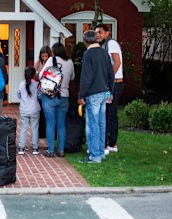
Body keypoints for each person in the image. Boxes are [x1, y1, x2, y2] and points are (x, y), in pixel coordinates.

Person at [78, 30, 115, 163]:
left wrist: (81, 95)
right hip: (104, 92)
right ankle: (100, 152)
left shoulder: (88, 54)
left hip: (92, 93)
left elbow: (86, 77)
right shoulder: (104, 53)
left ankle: (94, 156)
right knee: (101, 124)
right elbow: (111, 74)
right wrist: (110, 91)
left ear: (85, 41)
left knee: (93, 124)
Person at [39, 42, 75, 158]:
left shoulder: (51, 60)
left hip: (50, 95)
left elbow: (41, 76)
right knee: (61, 124)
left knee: (50, 123)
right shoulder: (69, 62)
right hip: (64, 96)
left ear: (54, 51)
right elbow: (72, 77)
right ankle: (61, 150)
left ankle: (50, 151)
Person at [96, 23, 123, 154]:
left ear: (107, 33)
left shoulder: (111, 44)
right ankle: (112, 143)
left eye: (100, 32)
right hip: (113, 83)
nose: (98, 35)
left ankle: (107, 144)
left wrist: (108, 81)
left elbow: (117, 62)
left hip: (114, 84)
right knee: (111, 113)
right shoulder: (105, 46)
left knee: (108, 113)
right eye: (96, 33)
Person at [17, 67, 41, 155]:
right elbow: (40, 96)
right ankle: (35, 148)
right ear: (34, 75)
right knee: (35, 128)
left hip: (24, 109)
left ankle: (21, 148)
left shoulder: (21, 84)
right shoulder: (37, 84)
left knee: (23, 127)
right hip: (35, 109)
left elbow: (18, 95)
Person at [35, 45, 52, 145]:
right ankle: (41, 133)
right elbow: (35, 76)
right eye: (43, 56)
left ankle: (47, 134)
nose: (44, 58)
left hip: (49, 88)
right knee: (40, 111)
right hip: (40, 89)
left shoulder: (52, 63)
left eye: (46, 56)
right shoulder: (38, 63)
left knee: (47, 113)